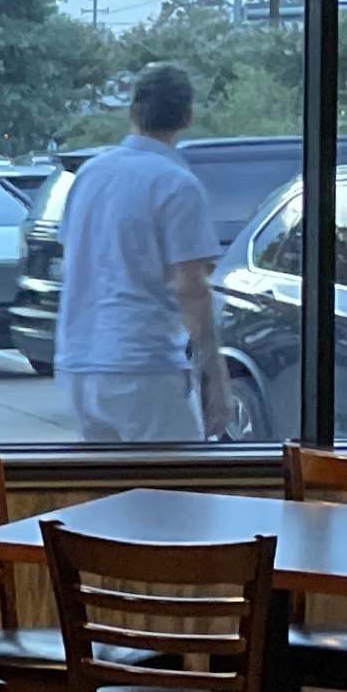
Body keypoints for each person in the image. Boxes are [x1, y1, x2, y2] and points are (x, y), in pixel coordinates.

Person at [55, 66, 227, 442]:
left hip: (79, 364)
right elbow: (190, 287)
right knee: (178, 494)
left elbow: (74, 258)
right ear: (187, 117)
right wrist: (214, 371)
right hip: (143, 366)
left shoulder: (89, 175)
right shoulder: (176, 184)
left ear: (132, 112)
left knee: (108, 494)